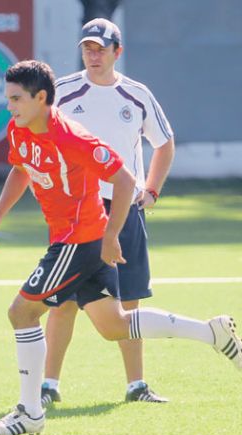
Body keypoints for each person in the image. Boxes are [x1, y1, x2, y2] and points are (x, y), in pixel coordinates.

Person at [0, 59, 242, 435]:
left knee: (21, 313)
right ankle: (211, 333)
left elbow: (125, 180)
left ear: (42, 98)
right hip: (70, 238)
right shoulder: (19, 130)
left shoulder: (73, 137)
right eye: (8, 99)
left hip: (79, 240)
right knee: (114, 326)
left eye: (17, 99)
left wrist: (111, 234)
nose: (10, 107)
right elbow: (22, 169)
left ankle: (30, 412)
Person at [39, 17, 175, 407]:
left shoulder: (136, 95)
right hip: (77, 211)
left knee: (129, 298)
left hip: (124, 207)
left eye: (101, 48)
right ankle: (48, 384)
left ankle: (137, 385)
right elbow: (39, 137)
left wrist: (151, 190)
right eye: (87, 48)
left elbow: (164, 143)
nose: (93, 55)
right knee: (62, 299)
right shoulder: (62, 91)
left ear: (118, 52)